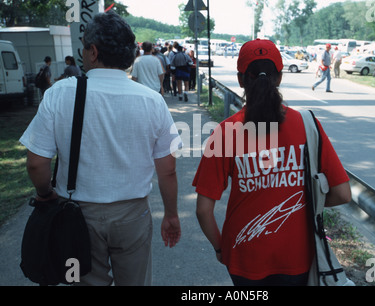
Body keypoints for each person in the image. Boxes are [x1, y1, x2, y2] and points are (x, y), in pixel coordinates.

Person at [19, 11, 182, 286]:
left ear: (93, 51)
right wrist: (172, 214)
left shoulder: (59, 94)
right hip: (134, 215)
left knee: (80, 279)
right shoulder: (152, 101)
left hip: (76, 217)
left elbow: (36, 163)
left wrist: (45, 194)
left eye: (83, 47)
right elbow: (167, 169)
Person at [193, 39, 351, 286]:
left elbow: (203, 210)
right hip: (297, 253)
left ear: (240, 79)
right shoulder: (307, 124)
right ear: (279, 77)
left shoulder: (226, 132)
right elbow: (342, 194)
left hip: (244, 255)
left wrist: (220, 248)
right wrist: (304, 204)